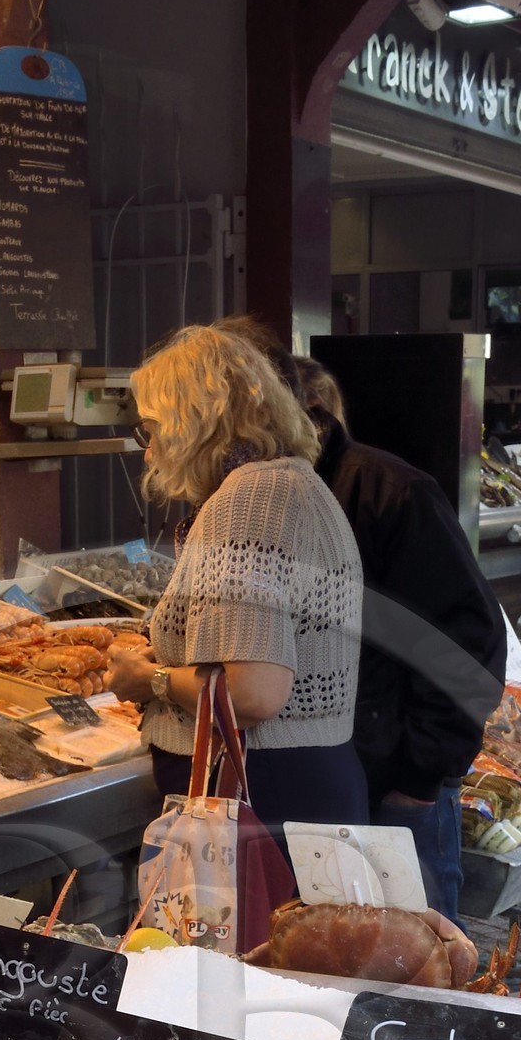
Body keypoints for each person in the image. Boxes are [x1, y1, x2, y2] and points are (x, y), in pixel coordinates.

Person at [104, 324, 368, 840]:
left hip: (263, 797)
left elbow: (252, 695)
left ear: (193, 421)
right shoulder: (290, 479)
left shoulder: (250, 498)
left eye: (151, 428)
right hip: (300, 788)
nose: (148, 448)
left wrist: (149, 679)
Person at [293, 352, 507, 919]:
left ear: (306, 414)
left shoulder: (392, 490)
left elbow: (469, 643)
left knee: (419, 968)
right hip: (326, 783)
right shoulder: (276, 498)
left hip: (397, 788)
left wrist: (418, 777)